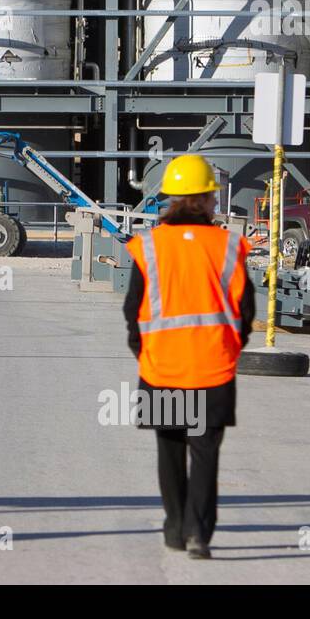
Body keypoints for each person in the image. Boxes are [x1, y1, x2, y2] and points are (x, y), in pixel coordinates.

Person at [123, 154, 254, 560]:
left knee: (170, 448)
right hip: (213, 367)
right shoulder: (229, 245)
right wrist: (231, 348)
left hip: (162, 366)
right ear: (208, 199)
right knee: (205, 452)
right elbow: (246, 310)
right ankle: (199, 534)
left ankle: (175, 527)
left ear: (171, 199)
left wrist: (143, 351)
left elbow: (133, 308)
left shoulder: (149, 246)